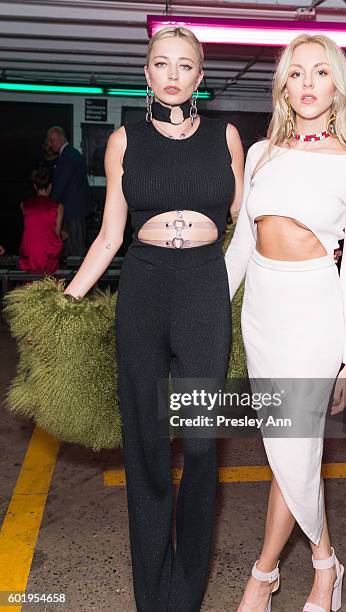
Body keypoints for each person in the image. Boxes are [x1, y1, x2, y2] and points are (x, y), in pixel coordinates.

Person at [62, 26, 244, 612]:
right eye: (160, 64)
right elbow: (110, 235)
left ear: (199, 75)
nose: (172, 74)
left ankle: (185, 595)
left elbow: (246, 224)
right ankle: (153, 599)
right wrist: (63, 305)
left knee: (197, 447)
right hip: (143, 288)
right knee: (145, 450)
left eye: (184, 65)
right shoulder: (124, 141)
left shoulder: (226, 136)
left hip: (201, 290)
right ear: (146, 75)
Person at [225, 34, 346, 612]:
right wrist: (201, 314)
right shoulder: (264, 153)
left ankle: (263, 576)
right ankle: (325, 563)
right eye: (297, 73)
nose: (308, 82)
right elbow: (239, 252)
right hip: (262, 317)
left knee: (293, 451)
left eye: (320, 72)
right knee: (290, 454)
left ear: (337, 85)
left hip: (315, 317)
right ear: (284, 87)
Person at [47, 126, 91, 256]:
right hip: (76, 209)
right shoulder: (73, 153)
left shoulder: (67, 156)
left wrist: (50, 205)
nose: (50, 144)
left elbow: (61, 185)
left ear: (61, 138)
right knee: (75, 247)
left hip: (72, 210)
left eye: (52, 140)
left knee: (75, 249)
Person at [19, 168, 64, 273]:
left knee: (29, 285)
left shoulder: (24, 205)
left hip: (30, 253)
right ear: (50, 186)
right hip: (49, 254)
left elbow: (32, 226)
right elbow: (56, 233)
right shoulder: (58, 207)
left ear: (35, 186)